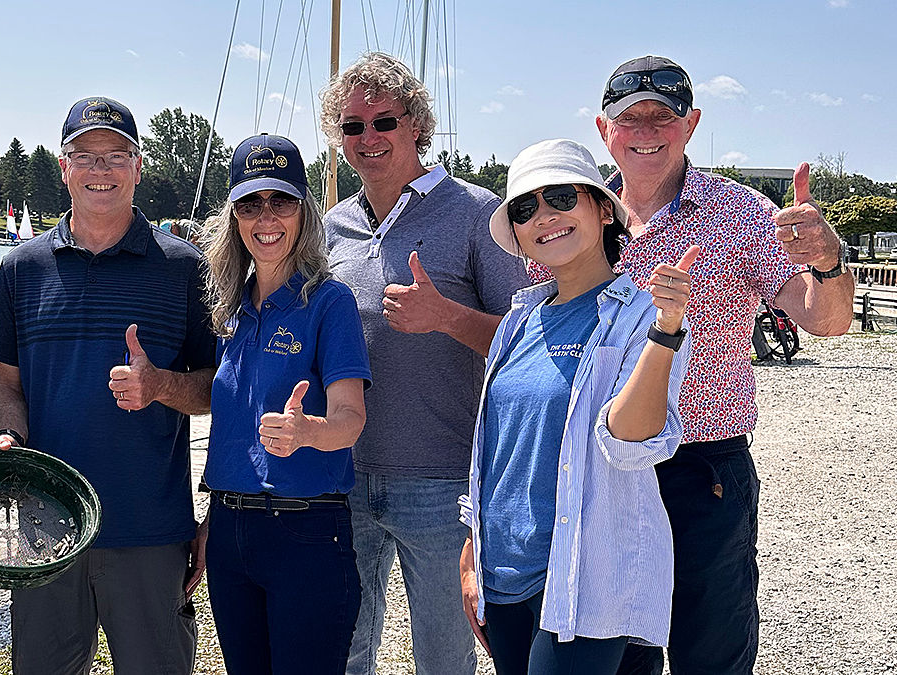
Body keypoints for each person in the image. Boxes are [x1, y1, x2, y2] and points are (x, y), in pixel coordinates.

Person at [568, 56, 854, 675]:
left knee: (710, 652)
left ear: (691, 123)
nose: (645, 129)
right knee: (615, 655)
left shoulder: (740, 213)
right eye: (628, 117)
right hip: (603, 467)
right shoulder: (574, 219)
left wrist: (829, 262)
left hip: (702, 468)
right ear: (603, 128)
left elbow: (824, 319)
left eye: (662, 116)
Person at [0, 96, 216, 675]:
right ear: (63, 168)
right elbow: (5, 385)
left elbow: (217, 389)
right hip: (45, 529)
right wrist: (8, 434)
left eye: (116, 155)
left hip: (150, 532)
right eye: (84, 156)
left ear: (139, 166)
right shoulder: (20, 269)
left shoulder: (185, 268)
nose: (100, 171)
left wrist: (159, 385)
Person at [318, 51, 530, 674]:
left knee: (444, 656)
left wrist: (448, 317)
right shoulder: (332, 227)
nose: (369, 137)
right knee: (344, 651)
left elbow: (529, 343)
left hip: (444, 482)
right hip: (345, 476)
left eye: (384, 120)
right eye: (352, 126)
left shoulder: (476, 214)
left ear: (417, 124)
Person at [458, 139, 694, 675]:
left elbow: (631, 440)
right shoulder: (517, 323)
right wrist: (473, 547)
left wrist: (665, 332)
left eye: (561, 196)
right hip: (504, 572)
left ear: (603, 208)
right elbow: (496, 452)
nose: (544, 216)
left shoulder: (639, 314)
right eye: (525, 208)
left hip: (584, 575)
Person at [198, 133, 371, 674]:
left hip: (307, 534)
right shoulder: (228, 305)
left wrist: (306, 433)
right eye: (249, 203)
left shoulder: (328, 301)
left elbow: (350, 420)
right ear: (232, 216)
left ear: (304, 212)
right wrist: (213, 525)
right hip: (230, 531)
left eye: (281, 201)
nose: (265, 217)